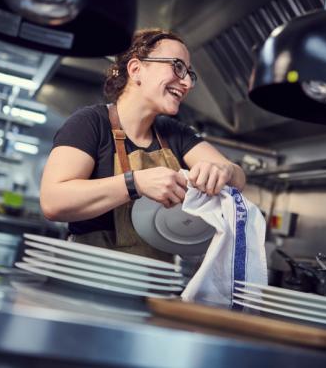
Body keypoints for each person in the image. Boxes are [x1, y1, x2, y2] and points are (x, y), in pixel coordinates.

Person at [40, 28, 246, 261]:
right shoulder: (90, 123)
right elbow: (53, 201)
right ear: (136, 69)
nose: (187, 82)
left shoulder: (174, 132)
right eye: (177, 67)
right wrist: (135, 183)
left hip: (155, 284)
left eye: (189, 73)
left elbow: (238, 178)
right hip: (88, 279)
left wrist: (224, 170)